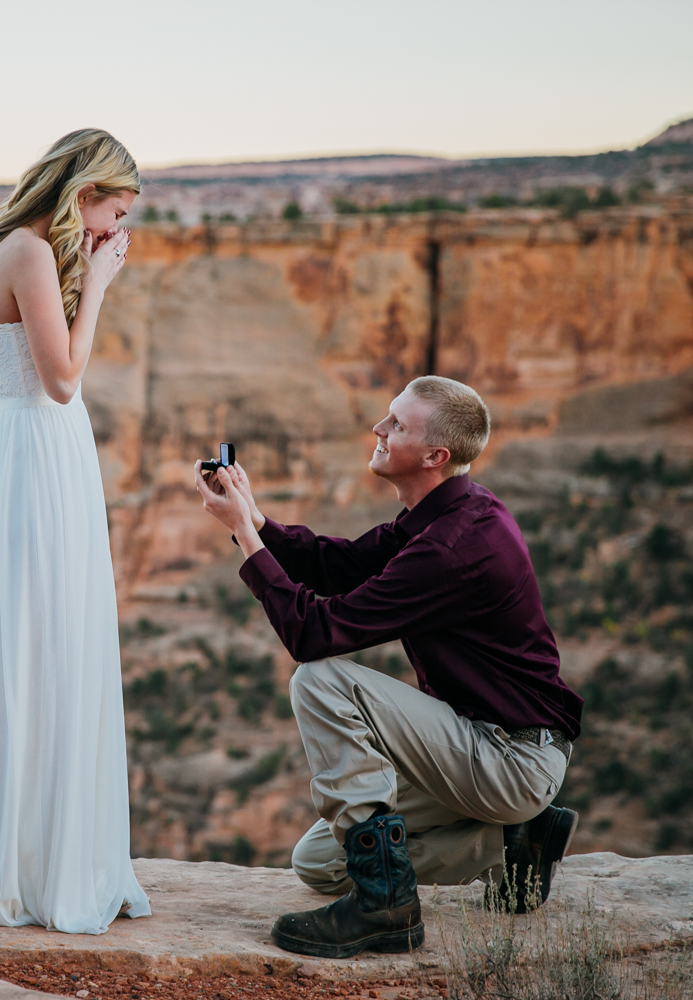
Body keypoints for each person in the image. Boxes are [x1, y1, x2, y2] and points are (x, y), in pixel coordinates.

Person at [193, 376, 583, 958]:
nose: (378, 428)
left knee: (322, 678)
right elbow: (343, 564)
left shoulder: (454, 546)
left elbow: (314, 634)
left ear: (435, 455)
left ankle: (386, 908)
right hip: (482, 744)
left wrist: (246, 539)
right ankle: (513, 841)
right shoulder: (440, 514)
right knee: (320, 862)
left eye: (396, 425)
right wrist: (258, 521)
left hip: (511, 756)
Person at [0, 129, 151, 934]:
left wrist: (89, 271)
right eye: (113, 212)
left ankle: (49, 855)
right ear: (83, 189)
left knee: (56, 648)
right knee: (39, 649)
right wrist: (96, 283)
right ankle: (38, 873)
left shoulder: (27, 249)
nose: (112, 232)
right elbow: (62, 382)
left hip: (42, 454)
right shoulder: (31, 254)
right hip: (36, 451)